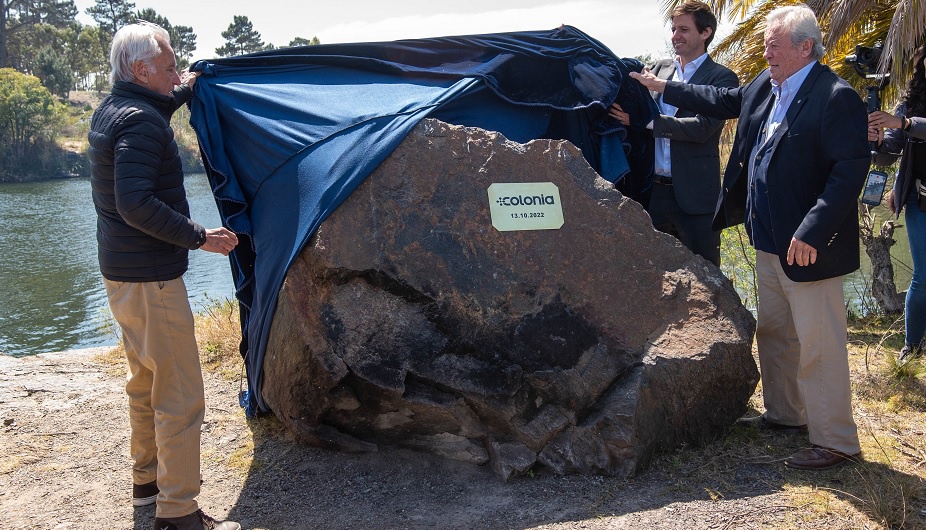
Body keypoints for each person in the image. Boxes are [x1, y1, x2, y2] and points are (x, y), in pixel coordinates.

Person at [631, 4, 869, 470]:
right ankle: (786, 416)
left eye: (774, 43)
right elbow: (723, 102)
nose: (766, 51)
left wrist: (814, 230)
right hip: (768, 240)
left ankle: (836, 441)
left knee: (819, 342)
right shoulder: (767, 84)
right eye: (764, 42)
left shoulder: (835, 96)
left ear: (805, 47)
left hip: (808, 246)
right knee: (777, 332)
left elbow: (848, 173)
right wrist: (664, 88)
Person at [88, 22, 241, 530]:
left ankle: (147, 487)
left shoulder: (115, 110)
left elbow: (150, 109)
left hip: (122, 275)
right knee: (179, 395)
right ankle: (178, 514)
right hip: (152, 278)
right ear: (140, 70)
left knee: (145, 383)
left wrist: (183, 88)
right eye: (170, 66)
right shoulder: (141, 123)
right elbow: (135, 203)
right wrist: (202, 237)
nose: (176, 73)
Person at [609, 0, 738, 266]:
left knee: (708, 280)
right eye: (673, 29)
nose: (675, 36)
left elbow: (702, 128)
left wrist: (645, 122)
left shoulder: (722, 78)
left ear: (705, 33)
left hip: (696, 199)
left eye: (683, 29)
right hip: (653, 195)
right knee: (652, 276)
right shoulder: (657, 69)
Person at [869, 46, 926, 362]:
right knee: (924, 276)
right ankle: (913, 348)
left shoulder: (907, 117)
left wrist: (904, 124)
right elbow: (887, 153)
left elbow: (908, 126)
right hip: (921, 200)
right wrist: (876, 137)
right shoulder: (909, 104)